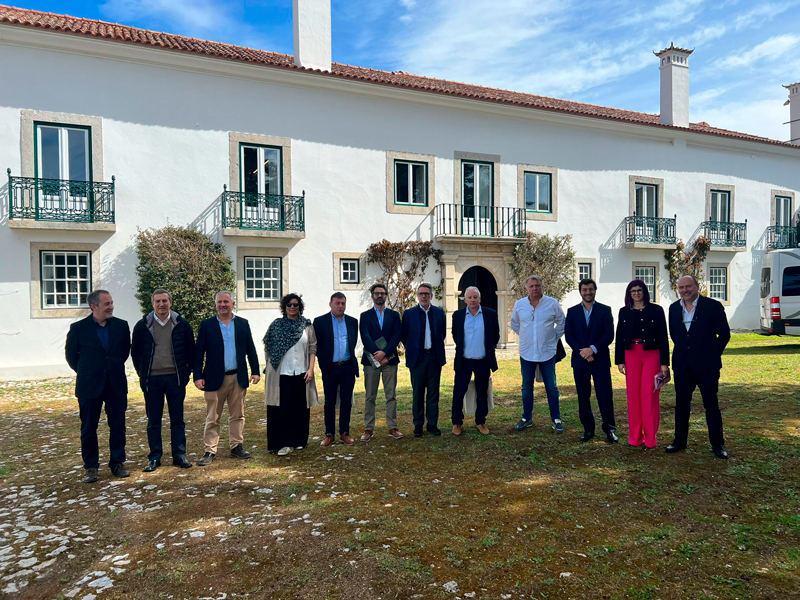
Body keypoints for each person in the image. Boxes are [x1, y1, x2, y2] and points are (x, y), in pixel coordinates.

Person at [65, 289, 131, 483]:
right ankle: (91, 467)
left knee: (118, 426)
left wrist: (110, 369)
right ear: (93, 307)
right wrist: (89, 372)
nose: (111, 307)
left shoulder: (121, 326)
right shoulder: (78, 329)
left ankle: (117, 463)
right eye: (106, 304)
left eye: (111, 303)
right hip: (89, 385)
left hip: (115, 384)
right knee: (88, 428)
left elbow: (124, 352)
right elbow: (71, 357)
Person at [667, 275, 731, 459]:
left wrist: (712, 354)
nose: (685, 290)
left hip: (707, 366)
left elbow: (724, 335)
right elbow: (676, 335)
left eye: (688, 286)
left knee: (711, 405)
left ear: (697, 286)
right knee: (681, 405)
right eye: (681, 287)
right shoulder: (673, 309)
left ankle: (718, 444)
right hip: (682, 365)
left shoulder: (713, 307)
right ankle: (679, 441)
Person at [193, 291, 260, 466]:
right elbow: (198, 353)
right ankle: (210, 450)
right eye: (220, 302)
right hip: (214, 378)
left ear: (233, 304)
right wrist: (198, 376)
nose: (223, 305)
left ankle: (236, 446)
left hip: (237, 377)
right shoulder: (207, 325)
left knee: (238, 414)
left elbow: (250, 349)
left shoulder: (243, 324)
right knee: (213, 416)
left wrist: (255, 371)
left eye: (226, 302)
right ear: (216, 304)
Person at [131, 289, 195, 472]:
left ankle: (179, 454)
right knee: (153, 420)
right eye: (158, 301)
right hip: (152, 380)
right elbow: (135, 353)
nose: (161, 304)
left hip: (175, 378)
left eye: (164, 301)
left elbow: (191, 350)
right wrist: (143, 373)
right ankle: (155, 456)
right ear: (152, 304)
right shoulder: (142, 325)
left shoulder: (181, 324)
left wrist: (186, 373)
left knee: (177, 419)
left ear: (170, 302)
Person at [615, 280, 670, 449]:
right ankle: (635, 437)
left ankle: (650, 437)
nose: (636, 293)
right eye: (633, 291)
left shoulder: (656, 310)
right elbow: (619, 335)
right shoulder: (624, 312)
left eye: (639, 290)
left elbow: (663, 337)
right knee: (633, 396)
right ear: (629, 294)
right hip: (631, 354)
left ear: (645, 292)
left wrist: (664, 363)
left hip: (651, 354)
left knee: (649, 395)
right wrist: (620, 360)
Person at [263, 293, 318, 456]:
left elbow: (312, 348)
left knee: (300, 408)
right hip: (282, 373)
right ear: (284, 307)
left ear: (300, 307)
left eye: (295, 304)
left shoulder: (307, 326)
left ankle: (299, 440)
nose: (292, 307)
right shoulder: (276, 325)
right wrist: (269, 367)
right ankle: (283, 443)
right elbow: (268, 345)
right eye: (289, 304)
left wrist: (311, 369)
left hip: (301, 372)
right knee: (282, 408)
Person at [565, 278, 618, 443]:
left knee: (605, 395)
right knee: (583, 396)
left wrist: (593, 349)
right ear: (580, 291)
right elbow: (569, 335)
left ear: (595, 290)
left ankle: (609, 430)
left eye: (590, 289)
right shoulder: (572, 311)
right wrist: (583, 351)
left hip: (599, 358)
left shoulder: (604, 310)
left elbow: (609, 334)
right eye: (584, 290)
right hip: (580, 360)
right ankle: (588, 429)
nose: (588, 292)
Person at [510, 276, 566, 433]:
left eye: (537, 285)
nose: (535, 288)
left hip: (547, 352)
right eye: (531, 286)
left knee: (552, 387)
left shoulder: (552, 303)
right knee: (526, 387)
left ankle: (556, 419)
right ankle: (526, 418)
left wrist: (553, 337)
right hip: (527, 352)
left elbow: (562, 322)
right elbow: (514, 323)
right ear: (526, 288)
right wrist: (526, 335)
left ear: (542, 286)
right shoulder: (519, 304)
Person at [450, 286, 500, 435]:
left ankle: (480, 421)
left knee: (482, 392)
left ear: (480, 299)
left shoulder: (490, 314)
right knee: (459, 392)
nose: (472, 300)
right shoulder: (458, 315)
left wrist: (488, 350)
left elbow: (495, 335)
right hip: (464, 361)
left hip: (483, 361)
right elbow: (455, 335)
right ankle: (457, 422)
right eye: (470, 297)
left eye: (475, 297)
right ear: (465, 299)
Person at [400, 283, 446, 437]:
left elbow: (442, 334)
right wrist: (414, 349)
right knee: (418, 393)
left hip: (434, 358)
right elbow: (404, 335)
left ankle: (432, 424)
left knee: (433, 393)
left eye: (426, 294)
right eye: (421, 294)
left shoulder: (439, 313)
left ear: (431, 296)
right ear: (417, 296)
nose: (424, 296)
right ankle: (418, 424)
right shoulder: (409, 314)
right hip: (417, 359)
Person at [314, 292, 359, 447]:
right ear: (330, 304)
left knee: (346, 401)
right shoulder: (320, 322)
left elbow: (353, 343)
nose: (340, 306)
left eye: (343, 303)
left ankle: (345, 432)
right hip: (330, 368)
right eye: (337, 303)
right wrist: (323, 364)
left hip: (347, 367)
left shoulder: (353, 322)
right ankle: (329, 434)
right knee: (330, 402)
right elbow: (317, 346)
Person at [359, 283, 403, 441]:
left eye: (383, 293)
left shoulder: (394, 315)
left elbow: (397, 335)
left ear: (386, 296)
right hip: (371, 362)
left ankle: (393, 427)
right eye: (377, 293)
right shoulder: (365, 316)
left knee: (391, 395)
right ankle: (368, 428)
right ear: (372, 295)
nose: (380, 296)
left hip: (390, 361)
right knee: (370, 396)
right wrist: (377, 355)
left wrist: (385, 353)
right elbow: (365, 337)